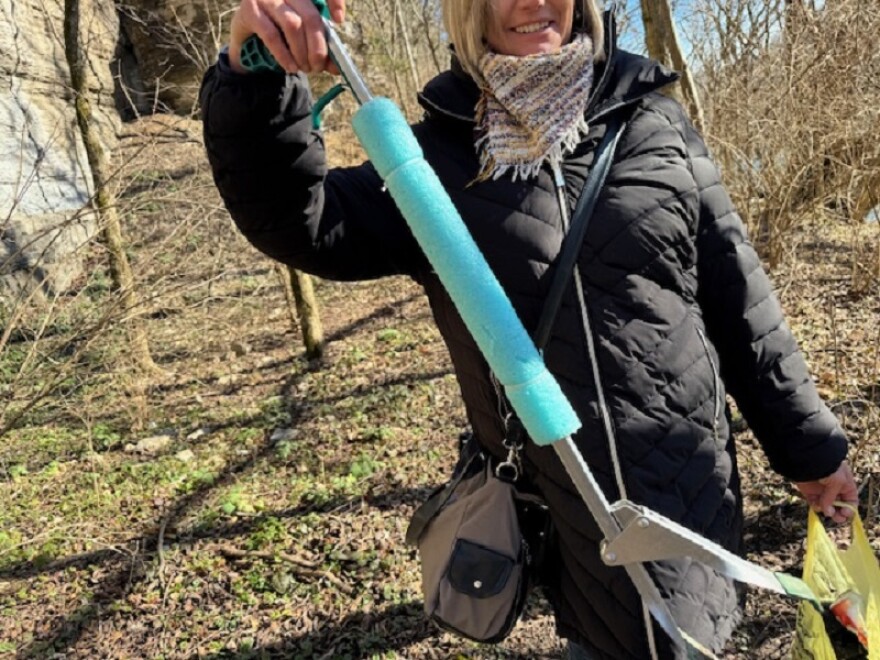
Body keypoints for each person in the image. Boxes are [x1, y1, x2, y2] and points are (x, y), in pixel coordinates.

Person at [200, 0, 859, 657]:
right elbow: (301, 221)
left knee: (697, 636)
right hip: (570, 520)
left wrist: (812, 451)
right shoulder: (431, 162)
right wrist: (255, 77)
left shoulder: (654, 123)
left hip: (692, 488)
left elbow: (739, 299)